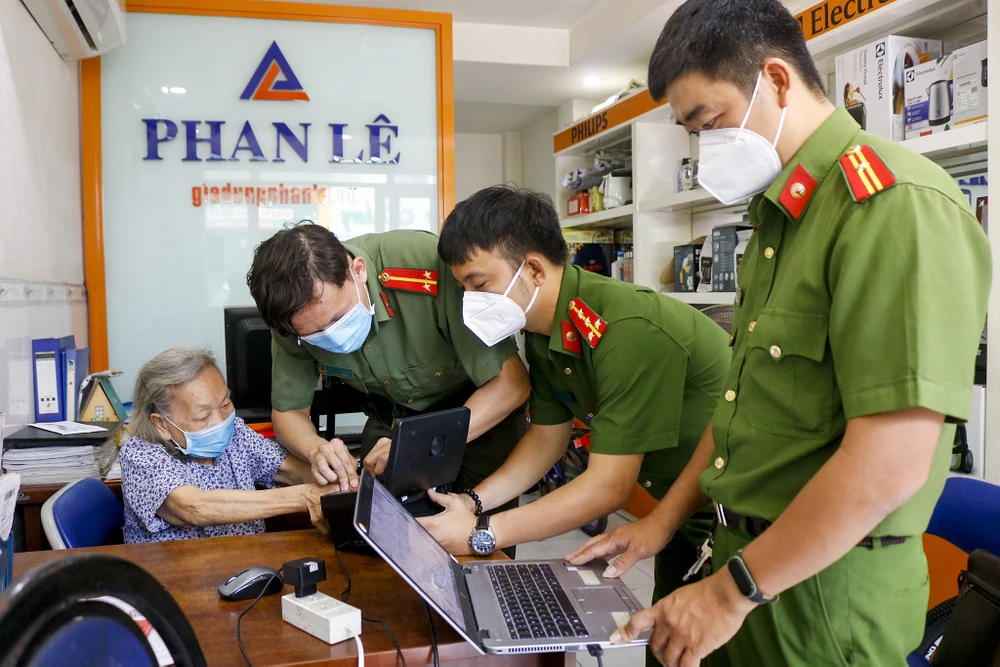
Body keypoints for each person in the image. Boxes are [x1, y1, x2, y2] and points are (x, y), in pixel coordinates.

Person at [566, 1, 991, 665]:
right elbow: (741, 411)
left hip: (823, 594)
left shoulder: (891, 206)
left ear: (777, 79)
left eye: (710, 122)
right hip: (747, 566)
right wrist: (664, 520)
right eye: (691, 133)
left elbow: (890, 461)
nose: (706, 148)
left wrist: (730, 593)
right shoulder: (779, 217)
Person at [420, 186, 731, 645]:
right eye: (463, 288)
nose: (470, 301)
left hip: (731, 510)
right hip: (679, 510)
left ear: (533, 269)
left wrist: (483, 534)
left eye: (479, 284)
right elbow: (547, 438)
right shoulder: (544, 330)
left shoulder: (625, 328)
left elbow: (609, 486)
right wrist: (474, 503)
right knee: (670, 646)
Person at [247, 223, 530, 518]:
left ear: (358, 271)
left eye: (339, 318)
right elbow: (289, 412)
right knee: (383, 531)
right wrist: (315, 448)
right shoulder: (289, 314)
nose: (331, 336)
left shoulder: (424, 262)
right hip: (391, 423)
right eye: (315, 335)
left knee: (481, 529)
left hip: (479, 412)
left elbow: (512, 383)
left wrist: (420, 443)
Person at [121, 347, 338, 544]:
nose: (221, 421)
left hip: (248, 562)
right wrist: (303, 497)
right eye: (203, 416)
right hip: (176, 572)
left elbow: (289, 469)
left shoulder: (236, 434)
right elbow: (193, 507)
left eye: (225, 404)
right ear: (161, 424)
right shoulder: (140, 455)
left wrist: (340, 480)